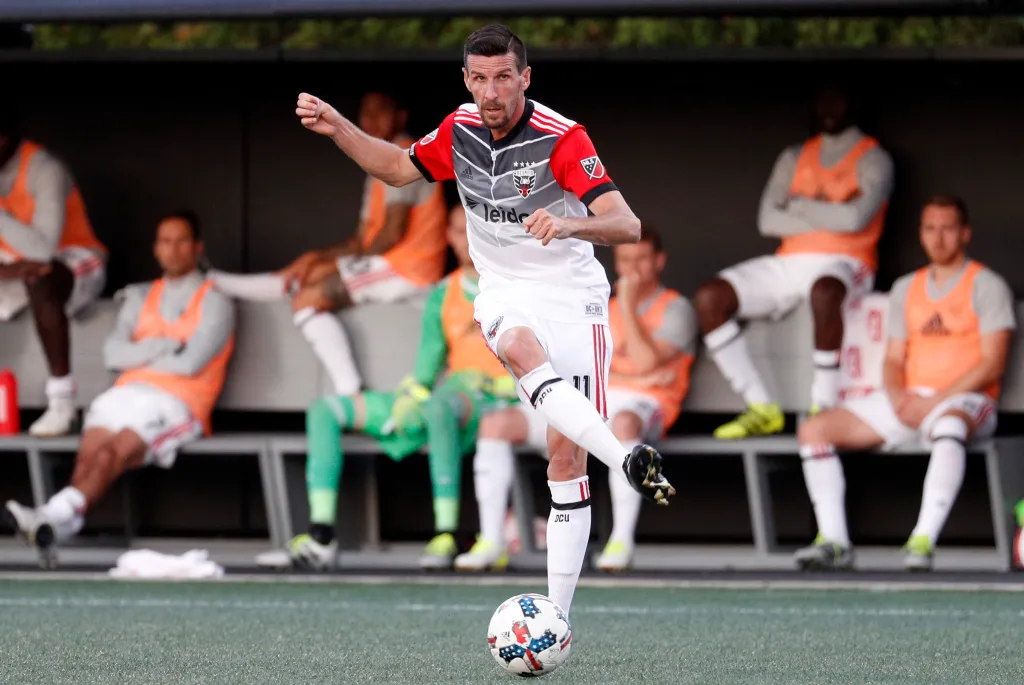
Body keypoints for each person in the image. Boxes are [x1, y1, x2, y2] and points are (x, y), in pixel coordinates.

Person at [294, 23, 674, 616]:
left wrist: (570, 224)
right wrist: (339, 126)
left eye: (504, 78)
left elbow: (626, 225)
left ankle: (558, 617)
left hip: (572, 294)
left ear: (525, 77)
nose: (491, 91)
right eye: (480, 79)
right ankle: (624, 458)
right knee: (518, 345)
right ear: (466, 80)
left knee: (565, 458)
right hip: (504, 290)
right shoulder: (459, 127)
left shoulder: (563, 139)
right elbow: (397, 167)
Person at [256, 202, 519, 571]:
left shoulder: (518, 287)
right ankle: (321, 535)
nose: (468, 239)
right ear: (448, 237)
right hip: (446, 399)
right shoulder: (444, 293)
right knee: (327, 410)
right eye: (459, 230)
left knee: (439, 406)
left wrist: (502, 383)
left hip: (497, 402)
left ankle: (448, 535)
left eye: (476, 228)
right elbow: (426, 368)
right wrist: (410, 396)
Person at [454, 227, 697, 573]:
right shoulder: (599, 304)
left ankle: (620, 542)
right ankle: (492, 541)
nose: (633, 268)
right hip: (587, 395)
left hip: (642, 405)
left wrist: (627, 307)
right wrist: (632, 373)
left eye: (642, 259)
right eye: (626, 259)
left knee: (623, 421)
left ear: (659, 261)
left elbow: (645, 363)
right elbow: (572, 367)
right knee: (496, 424)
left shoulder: (676, 307)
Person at [794, 195, 1014, 572]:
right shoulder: (906, 287)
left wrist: (934, 403)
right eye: (930, 228)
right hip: (911, 400)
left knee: (949, 425)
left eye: (947, 228)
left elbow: (992, 364)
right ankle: (834, 541)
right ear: (921, 234)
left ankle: (922, 540)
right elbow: (893, 359)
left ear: (965, 234)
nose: (938, 237)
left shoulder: (987, 284)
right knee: (814, 429)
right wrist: (898, 399)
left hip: (965, 400)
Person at [5, 211, 236, 568]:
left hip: (178, 402)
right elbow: (113, 354)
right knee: (92, 455)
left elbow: (191, 363)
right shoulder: (142, 295)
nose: (172, 250)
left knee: (112, 453)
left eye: (181, 241)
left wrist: (140, 354)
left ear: (197, 247)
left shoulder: (215, 300)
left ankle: (50, 517)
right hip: (125, 393)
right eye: (165, 241)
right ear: (156, 249)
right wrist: (164, 345)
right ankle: (59, 523)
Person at [210, 91, 448, 397]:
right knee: (310, 270)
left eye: (381, 110)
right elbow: (361, 240)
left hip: (411, 269)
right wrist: (316, 258)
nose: (371, 119)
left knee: (308, 297)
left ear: (400, 116)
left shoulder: (405, 153)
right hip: (390, 262)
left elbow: (391, 234)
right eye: (365, 111)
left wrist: (332, 266)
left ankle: (350, 395)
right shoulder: (376, 159)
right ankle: (222, 282)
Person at [693, 85, 894, 440]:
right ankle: (760, 406)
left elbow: (854, 220)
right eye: (823, 99)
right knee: (711, 297)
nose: (829, 107)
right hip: (790, 261)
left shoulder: (873, 157)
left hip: (847, 261)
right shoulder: (796, 155)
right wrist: (832, 210)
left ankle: (824, 405)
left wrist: (799, 206)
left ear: (854, 102)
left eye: (838, 98)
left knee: (825, 290)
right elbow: (768, 221)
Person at [0, 110, 107, 437]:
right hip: (12, 265)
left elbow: (43, 251)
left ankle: (61, 400)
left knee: (40, 275)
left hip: (74, 260)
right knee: (29, 273)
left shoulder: (44, 168)